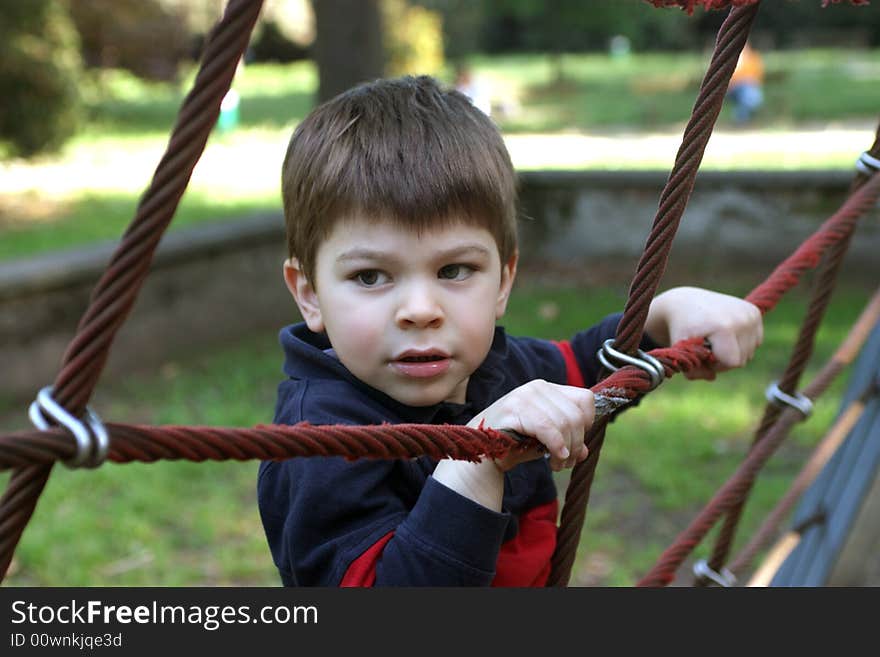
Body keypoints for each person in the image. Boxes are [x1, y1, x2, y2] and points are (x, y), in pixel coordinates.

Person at [257, 75, 764, 587]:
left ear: (503, 281)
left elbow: (588, 371)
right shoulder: (317, 443)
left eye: (454, 270)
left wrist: (662, 317)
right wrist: (474, 464)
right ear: (309, 294)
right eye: (370, 277)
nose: (419, 310)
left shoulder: (501, 373)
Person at [727, 41, 764, 125]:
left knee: (749, 94)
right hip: (734, 89)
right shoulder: (734, 59)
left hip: (750, 87)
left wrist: (749, 80)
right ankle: (741, 118)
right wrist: (743, 80)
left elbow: (758, 75)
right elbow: (730, 79)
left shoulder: (753, 58)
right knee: (748, 93)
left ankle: (741, 118)